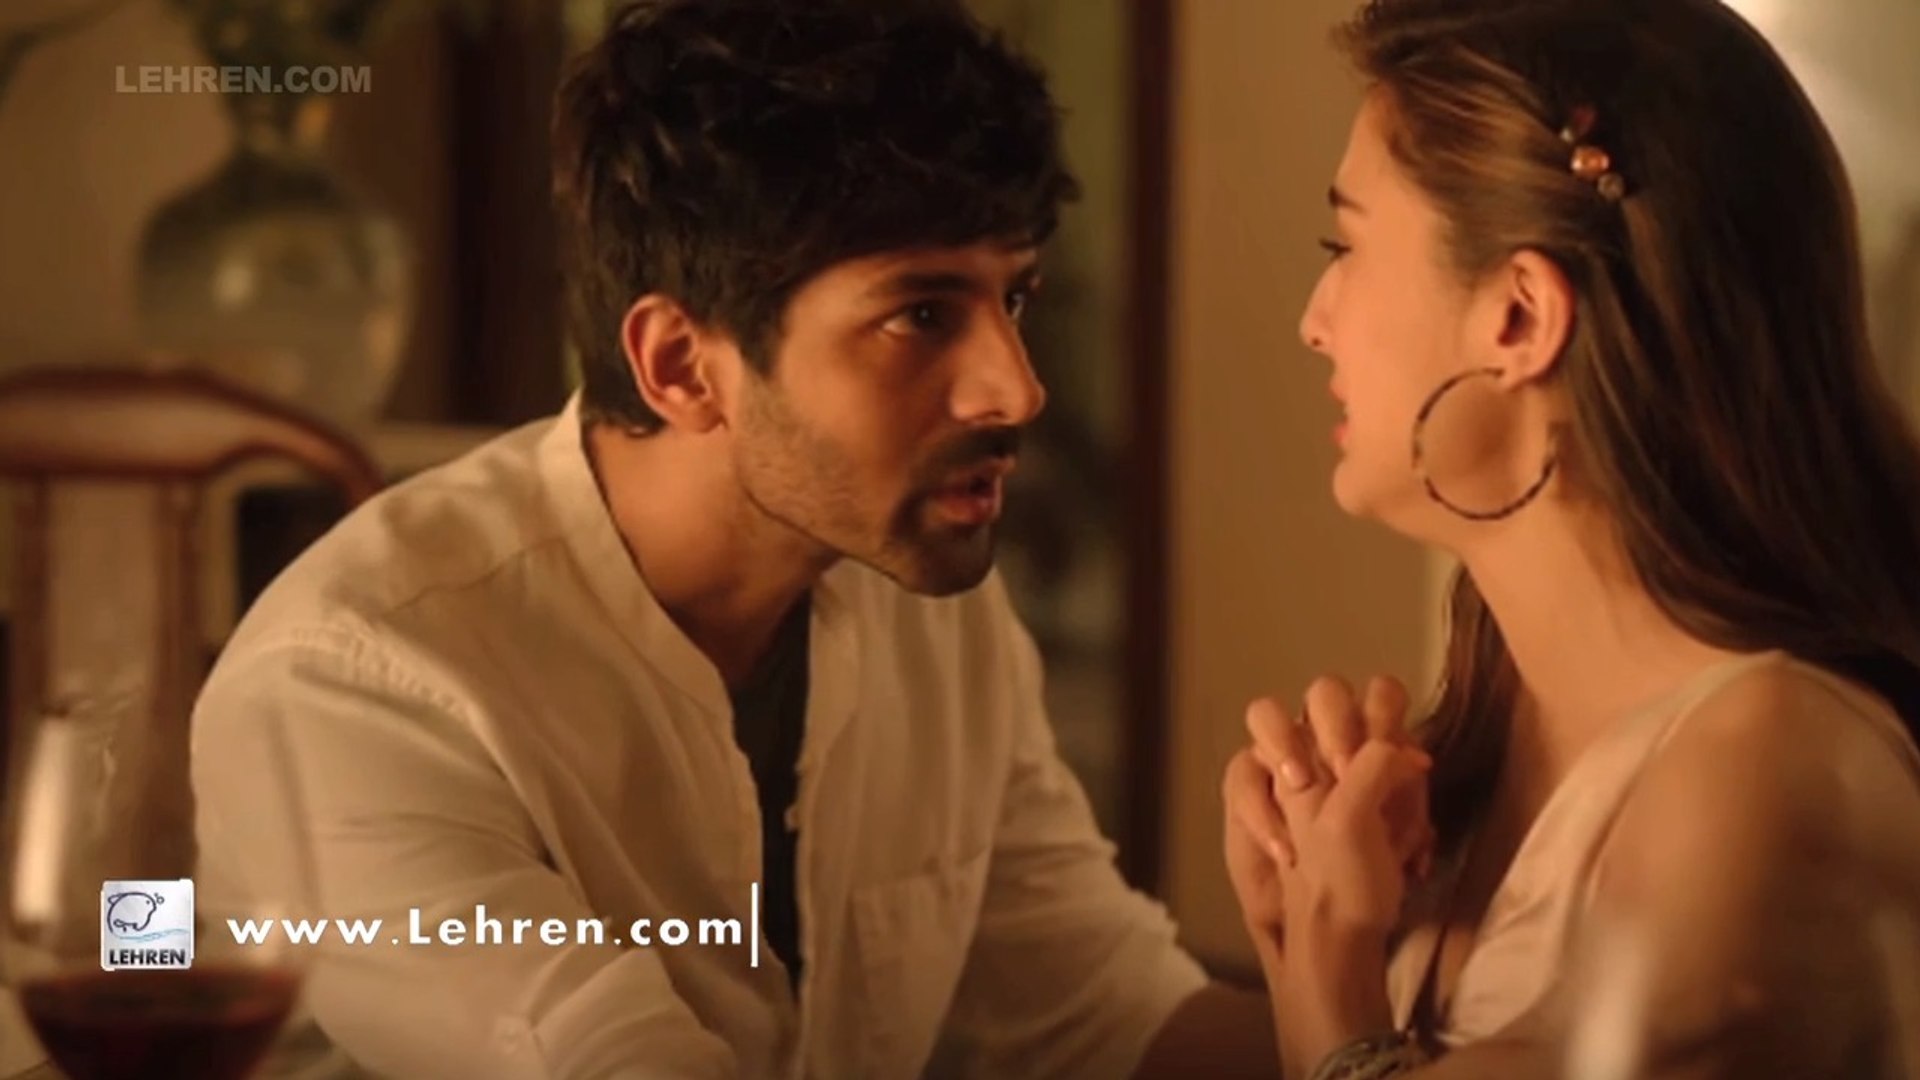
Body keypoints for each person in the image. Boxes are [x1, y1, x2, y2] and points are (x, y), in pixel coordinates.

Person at [189, 1, 1302, 1077]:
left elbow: (1103, 1012)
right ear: (681, 366)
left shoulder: (920, 600)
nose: (1016, 388)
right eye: (921, 315)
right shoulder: (360, 685)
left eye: (1012, 300)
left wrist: (1374, 1028)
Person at [1221, 0, 1920, 1077]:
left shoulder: (1763, 776)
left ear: (1520, 318)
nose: (1315, 320)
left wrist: (1327, 977)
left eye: (1343, 246)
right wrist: (1302, 925)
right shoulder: (1476, 747)